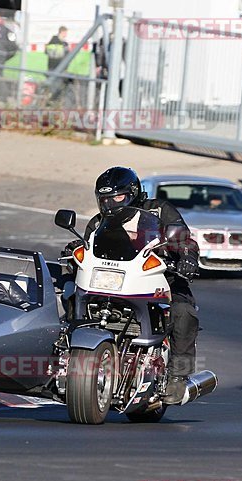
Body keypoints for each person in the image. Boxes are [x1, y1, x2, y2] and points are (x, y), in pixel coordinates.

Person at [62, 167, 201, 405]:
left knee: (182, 312)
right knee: (66, 293)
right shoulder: (99, 223)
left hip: (160, 279)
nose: (111, 205)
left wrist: (187, 256)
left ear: (133, 194)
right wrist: (74, 250)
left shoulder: (159, 211)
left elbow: (183, 239)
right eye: (105, 199)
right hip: (114, 282)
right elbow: (90, 248)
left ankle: (178, 375)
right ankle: (62, 354)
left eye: (117, 198)